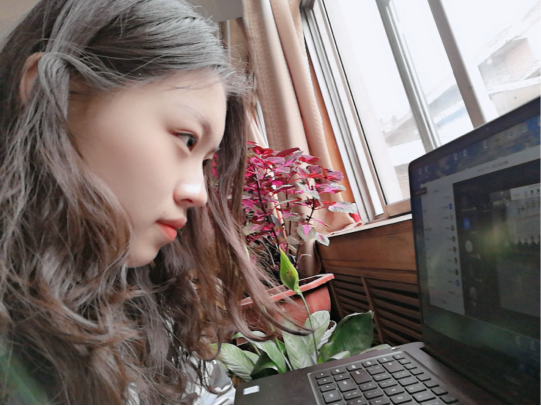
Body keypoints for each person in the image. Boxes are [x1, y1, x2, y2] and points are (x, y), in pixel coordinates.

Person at [0, 0, 287, 403]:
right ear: (52, 96)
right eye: (186, 139)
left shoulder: (142, 298)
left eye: (206, 162)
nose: (199, 193)